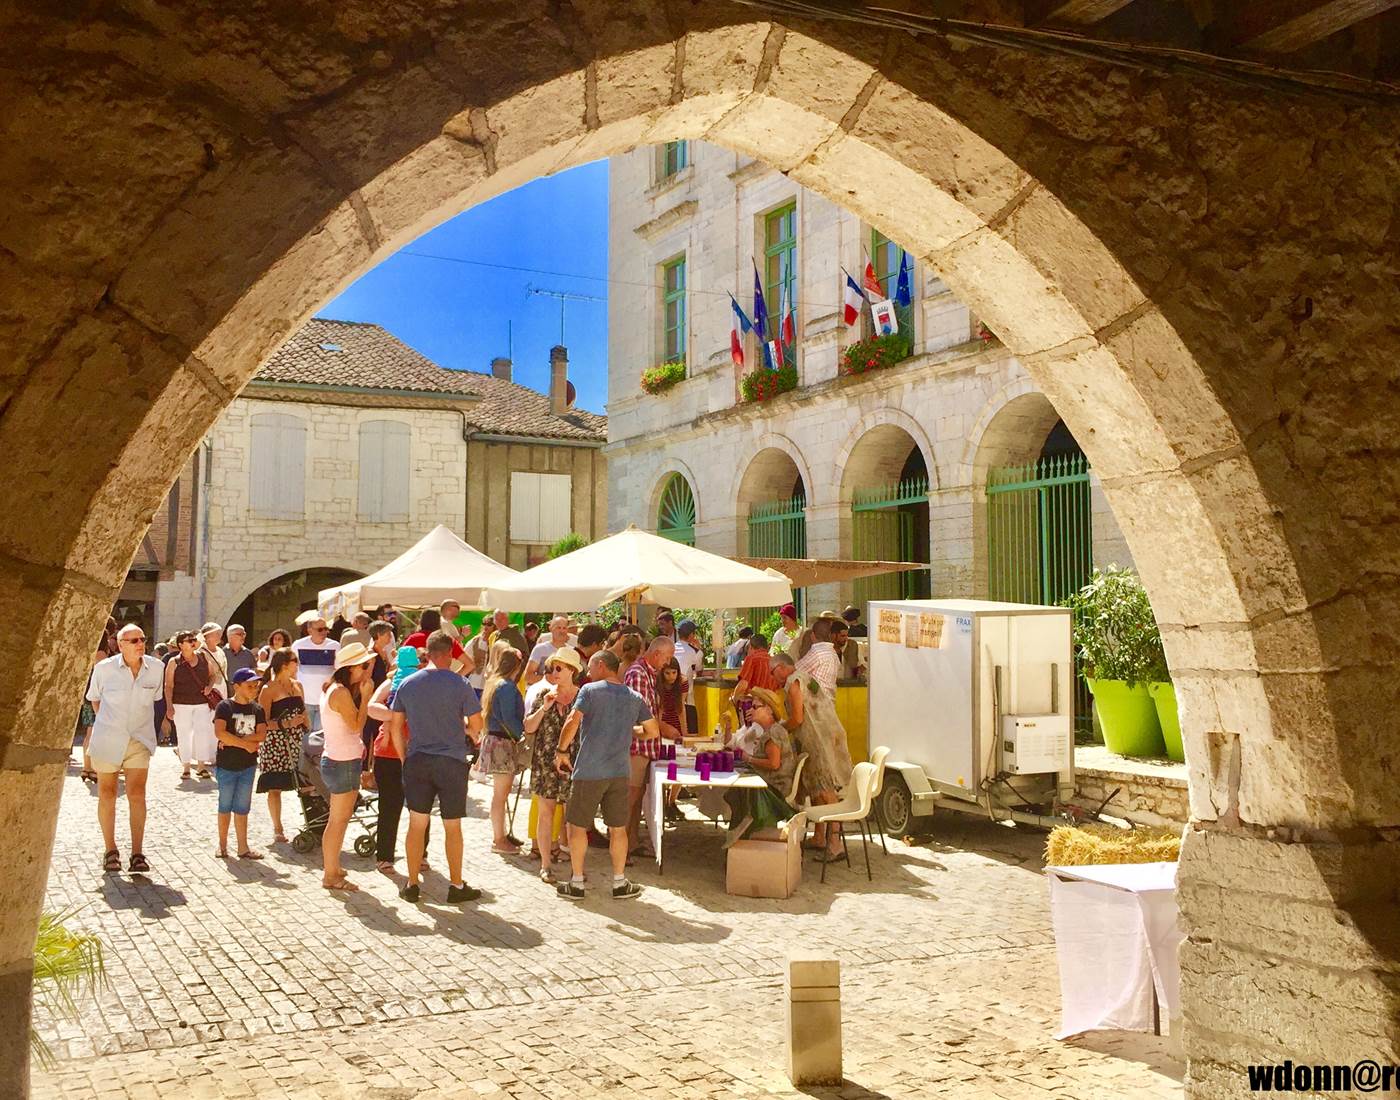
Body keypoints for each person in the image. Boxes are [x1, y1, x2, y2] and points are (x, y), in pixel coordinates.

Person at [553, 650, 658, 901]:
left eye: (590, 667)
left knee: (576, 826)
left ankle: (577, 883)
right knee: (617, 829)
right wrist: (632, 733)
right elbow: (652, 731)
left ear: (601, 665)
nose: (588, 672)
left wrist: (561, 751)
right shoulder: (634, 697)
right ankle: (620, 882)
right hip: (619, 771)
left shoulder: (589, 691)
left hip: (589, 770)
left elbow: (572, 720)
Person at [390, 631, 485, 904]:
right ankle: (456, 885)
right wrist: (464, 730)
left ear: (428, 653)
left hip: (418, 759)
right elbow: (476, 725)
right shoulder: (460, 683)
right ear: (449, 654)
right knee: (452, 826)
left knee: (417, 823)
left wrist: (403, 758)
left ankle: (411, 884)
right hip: (451, 761)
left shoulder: (407, 684)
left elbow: (396, 727)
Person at [87, 623, 164, 873]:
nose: (140, 643)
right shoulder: (104, 669)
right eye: (133, 640)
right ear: (120, 645)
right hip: (108, 738)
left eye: (142, 638)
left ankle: (138, 853)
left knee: (137, 794)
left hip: (139, 739)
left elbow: (155, 699)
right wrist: (109, 724)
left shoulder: (157, 668)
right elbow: (95, 699)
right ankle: (110, 850)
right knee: (107, 793)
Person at [791, 618, 853, 861]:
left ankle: (834, 841)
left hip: (818, 724)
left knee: (824, 782)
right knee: (815, 780)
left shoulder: (817, 653)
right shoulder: (834, 656)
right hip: (826, 720)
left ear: (814, 637)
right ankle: (819, 835)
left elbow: (794, 672)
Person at [366, 647, 430, 874]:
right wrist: (395, 715)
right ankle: (384, 856)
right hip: (388, 754)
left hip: (418, 751)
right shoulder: (390, 683)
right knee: (389, 807)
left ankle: (421, 855)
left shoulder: (426, 685)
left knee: (421, 808)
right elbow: (371, 707)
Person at [319, 642, 374, 892]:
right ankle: (330, 874)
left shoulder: (334, 688)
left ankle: (333, 868)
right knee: (338, 821)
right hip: (342, 761)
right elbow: (355, 726)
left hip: (343, 759)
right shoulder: (340, 692)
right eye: (363, 666)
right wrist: (366, 698)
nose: (366, 670)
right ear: (351, 668)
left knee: (339, 820)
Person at [522, 647, 581, 882]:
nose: (553, 672)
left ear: (572, 671)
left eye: (559, 668)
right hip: (546, 761)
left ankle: (577, 869)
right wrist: (545, 707)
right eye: (552, 667)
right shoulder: (544, 694)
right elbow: (528, 727)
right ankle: (545, 865)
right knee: (545, 812)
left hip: (574, 762)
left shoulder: (583, 697)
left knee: (574, 817)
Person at [623, 636, 675, 856]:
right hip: (637, 746)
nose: (668, 663)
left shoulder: (647, 673)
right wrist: (664, 728)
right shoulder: (638, 674)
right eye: (667, 657)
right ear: (656, 654)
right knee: (630, 798)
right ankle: (622, 846)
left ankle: (631, 842)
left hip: (645, 746)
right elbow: (641, 714)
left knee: (636, 799)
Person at [722, 694, 797, 846]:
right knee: (738, 787)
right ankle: (741, 834)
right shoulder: (770, 730)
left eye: (755, 707)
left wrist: (748, 759)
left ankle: (743, 833)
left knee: (741, 789)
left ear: (769, 710)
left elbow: (774, 764)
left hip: (774, 788)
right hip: (769, 781)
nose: (751, 710)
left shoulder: (773, 733)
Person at [477, 647, 529, 854]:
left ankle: (502, 835)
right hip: (502, 742)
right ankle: (499, 839)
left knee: (501, 794)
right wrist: (520, 735)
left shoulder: (495, 683)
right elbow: (509, 717)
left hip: (496, 740)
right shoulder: (506, 686)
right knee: (500, 794)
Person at [212, 667, 267, 860]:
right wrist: (246, 744)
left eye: (256, 686)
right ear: (237, 686)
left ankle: (243, 847)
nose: (254, 689)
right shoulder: (225, 707)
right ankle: (222, 845)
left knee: (243, 807)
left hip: (248, 766)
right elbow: (220, 733)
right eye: (250, 685)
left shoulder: (257, 709)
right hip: (227, 765)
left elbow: (262, 734)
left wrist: (234, 739)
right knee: (225, 805)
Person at [255, 648, 305, 843]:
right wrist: (286, 724)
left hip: (296, 740)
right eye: (295, 661)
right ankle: (278, 828)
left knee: (305, 783)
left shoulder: (298, 685)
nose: (297, 665)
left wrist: (305, 724)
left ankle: (313, 823)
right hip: (275, 743)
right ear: (285, 665)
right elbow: (263, 722)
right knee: (274, 786)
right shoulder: (268, 689)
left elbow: (303, 710)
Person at [163, 629, 219, 780]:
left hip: (201, 703)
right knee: (183, 734)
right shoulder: (174, 662)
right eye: (189, 640)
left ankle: (201, 766)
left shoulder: (202, 656)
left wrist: (209, 687)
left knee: (202, 733)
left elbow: (212, 675)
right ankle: (186, 766)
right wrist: (169, 706)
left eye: (193, 639)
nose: (193, 642)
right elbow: (169, 686)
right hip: (181, 703)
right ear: (181, 644)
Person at [291, 616, 339, 731]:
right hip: (304, 701)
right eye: (320, 629)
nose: (324, 632)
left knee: (319, 737)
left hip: (325, 700)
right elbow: (291, 671)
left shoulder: (335, 646)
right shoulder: (298, 645)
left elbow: (338, 670)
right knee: (304, 735)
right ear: (309, 630)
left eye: (326, 629)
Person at [730, 633, 775, 725]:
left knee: (751, 737)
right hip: (771, 709)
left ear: (750, 646)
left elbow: (743, 685)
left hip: (754, 709)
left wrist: (734, 698)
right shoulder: (773, 661)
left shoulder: (751, 658)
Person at [673, 619, 704, 736]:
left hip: (670, 698)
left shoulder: (671, 648)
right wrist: (699, 647)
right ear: (691, 635)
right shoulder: (696, 652)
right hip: (688, 700)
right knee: (691, 734)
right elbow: (699, 671)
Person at [525, 615, 575, 685]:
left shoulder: (572, 651)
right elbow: (528, 676)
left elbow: (576, 679)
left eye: (564, 628)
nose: (562, 631)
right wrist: (547, 680)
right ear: (550, 628)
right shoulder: (540, 649)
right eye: (558, 628)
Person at [655, 657, 689, 741]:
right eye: (667, 673)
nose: (671, 676)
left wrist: (685, 733)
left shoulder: (683, 682)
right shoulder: (657, 682)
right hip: (662, 722)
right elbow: (659, 709)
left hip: (677, 722)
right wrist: (660, 729)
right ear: (662, 673)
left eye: (674, 672)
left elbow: (681, 708)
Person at [198, 622, 228, 695]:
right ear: (207, 635)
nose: (219, 636)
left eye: (219, 634)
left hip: (222, 686)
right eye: (216, 634)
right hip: (209, 688)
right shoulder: (200, 652)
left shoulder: (220, 651)